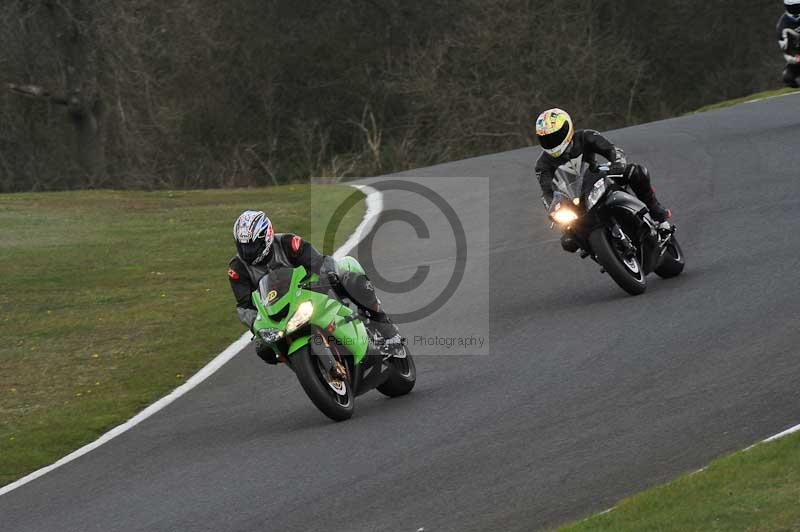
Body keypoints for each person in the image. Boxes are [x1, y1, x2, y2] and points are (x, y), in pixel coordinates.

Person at [228, 210, 401, 364]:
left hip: (309, 291)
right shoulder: (237, 269)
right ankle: (307, 366)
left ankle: (387, 331)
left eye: (252, 245)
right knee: (263, 349)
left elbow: (318, 261)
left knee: (349, 278)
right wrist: (257, 326)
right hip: (279, 315)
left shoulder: (288, 243)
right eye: (243, 246)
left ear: (267, 236)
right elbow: (244, 306)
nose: (247, 251)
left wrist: (326, 275)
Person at [533, 108, 671, 252]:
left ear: (567, 128)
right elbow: (547, 191)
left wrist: (618, 162)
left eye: (556, 136)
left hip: (598, 175)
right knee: (568, 241)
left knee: (636, 172)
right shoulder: (542, 165)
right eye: (546, 138)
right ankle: (600, 251)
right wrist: (554, 209)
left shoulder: (585, 136)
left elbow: (611, 149)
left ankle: (658, 215)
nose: (551, 141)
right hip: (574, 197)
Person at [778, 0, 800, 87]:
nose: (796, 10)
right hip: (798, 54)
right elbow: (786, 53)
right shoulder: (782, 27)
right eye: (793, 7)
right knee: (787, 77)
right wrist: (796, 58)